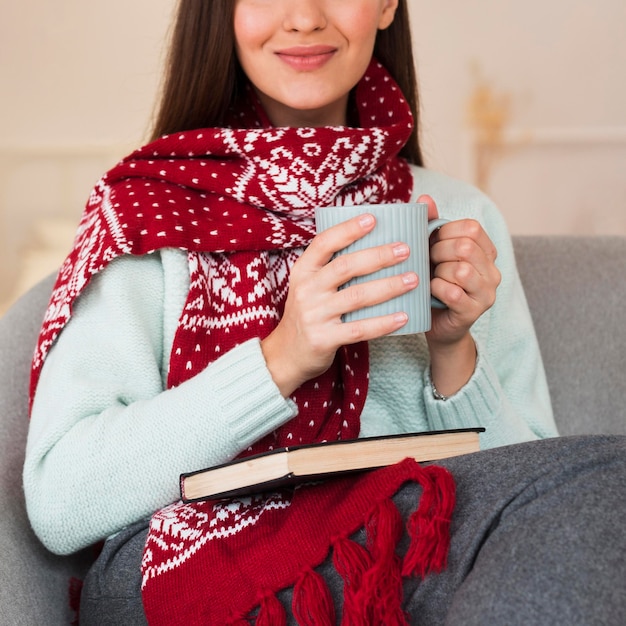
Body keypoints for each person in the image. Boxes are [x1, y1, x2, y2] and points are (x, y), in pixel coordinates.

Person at [23, 1, 626, 624]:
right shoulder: (147, 214)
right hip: (183, 573)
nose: (304, 17)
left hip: (404, 552)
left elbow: (537, 498)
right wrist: (280, 360)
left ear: (387, 5)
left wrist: (454, 354)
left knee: (592, 496)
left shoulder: (453, 211)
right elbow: (61, 500)